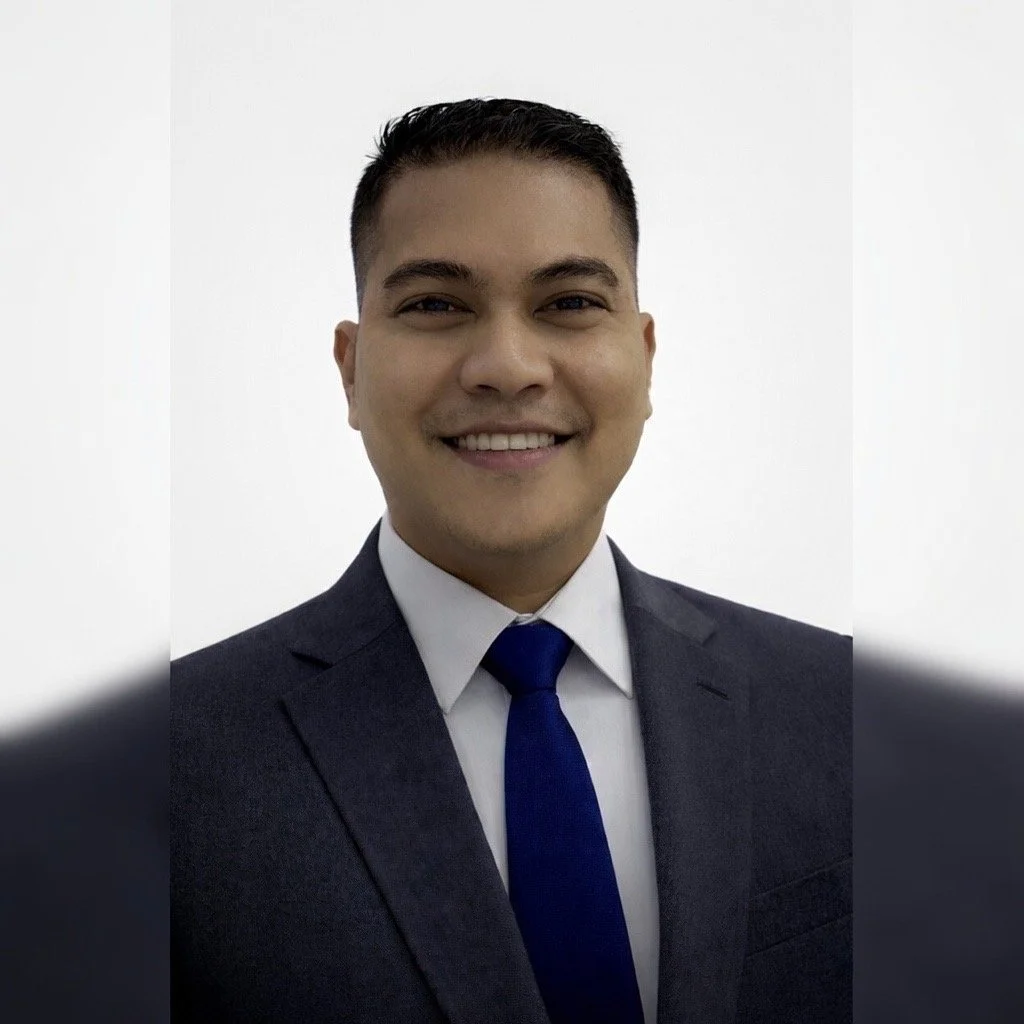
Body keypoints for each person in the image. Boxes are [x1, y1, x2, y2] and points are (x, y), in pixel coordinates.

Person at [171, 97, 851, 1024]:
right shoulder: (166, 769)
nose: (506, 364)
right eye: (436, 305)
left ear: (644, 358)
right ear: (350, 369)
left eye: (568, 303)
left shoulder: (846, 713)